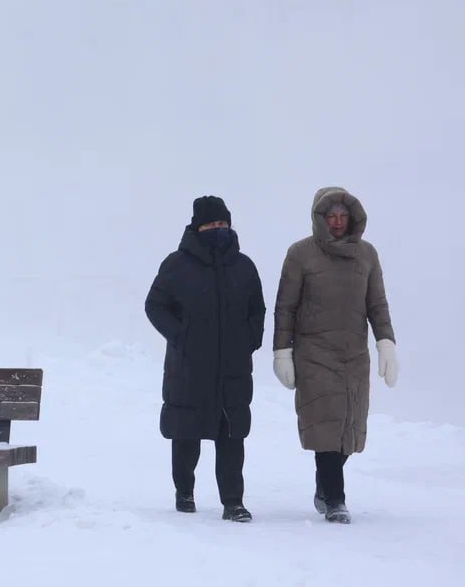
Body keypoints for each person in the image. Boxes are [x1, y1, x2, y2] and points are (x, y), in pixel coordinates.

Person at [272, 187, 398, 524]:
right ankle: (335, 500)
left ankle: (324, 486)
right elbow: (286, 307)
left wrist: (386, 342)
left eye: (343, 215)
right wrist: (282, 351)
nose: (338, 221)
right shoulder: (300, 254)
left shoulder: (366, 254)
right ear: (320, 218)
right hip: (314, 353)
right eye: (332, 216)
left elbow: (377, 304)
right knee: (325, 424)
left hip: (354, 355)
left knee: (348, 428)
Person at [146, 196, 265, 522]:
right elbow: (154, 305)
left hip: (233, 369)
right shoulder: (176, 264)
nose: (218, 229)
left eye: (223, 224)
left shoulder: (243, 267)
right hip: (189, 367)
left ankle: (233, 502)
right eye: (212, 224)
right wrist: (181, 336)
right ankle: (184, 492)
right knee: (186, 432)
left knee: (232, 436)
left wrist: (250, 340)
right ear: (197, 227)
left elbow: (257, 309)